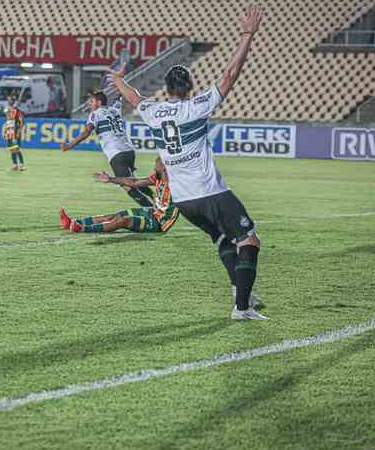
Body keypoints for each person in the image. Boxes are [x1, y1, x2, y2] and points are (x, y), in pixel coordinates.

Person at [110, 5, 267, 320]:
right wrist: (247, 34)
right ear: (190, 86)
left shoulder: (154, 111)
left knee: (224, 239)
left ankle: (239, 289)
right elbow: (230, 74)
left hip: (183, 199)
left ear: (167, 89)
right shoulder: (198, 106)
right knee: (249, 240)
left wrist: (117, 80)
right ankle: (242, 307)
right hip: (210, 190)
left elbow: (133, 96)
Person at [61, 91, 154, 207]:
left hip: (116, 153)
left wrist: (70, 145)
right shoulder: (114, 110)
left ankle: (152, 209)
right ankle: (156, 199)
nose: (91, 104)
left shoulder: (95, 114)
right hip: (129, 151)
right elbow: (118, 100)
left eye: (93, 101)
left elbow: (86, 132)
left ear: (99, 102)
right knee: (133, 180)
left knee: (127, 185)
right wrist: (119, 87)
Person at [60, 157, 178, 233]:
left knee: (123, 221)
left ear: (163, 167)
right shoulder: (157, 178)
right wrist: (110, 179)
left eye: (156, 164)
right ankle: (72, 222)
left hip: (160, 223)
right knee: (114, 216)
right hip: (152, 212)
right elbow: (134, 182)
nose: (154, 167)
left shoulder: (177, 185)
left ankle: (82, 229)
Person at [3, 96, 26, 171]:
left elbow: (22, 122)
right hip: (9, 132)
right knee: (12, 149)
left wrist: (19, 131)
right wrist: (5, 131)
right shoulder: (7, 111)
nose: (9, 101)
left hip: (15, 132)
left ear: (13, 101)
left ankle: (22, 165)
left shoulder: (17, 111)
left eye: (10, 100)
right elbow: (8, 122)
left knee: (17, 148)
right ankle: (15, 165)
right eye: (8, 100)